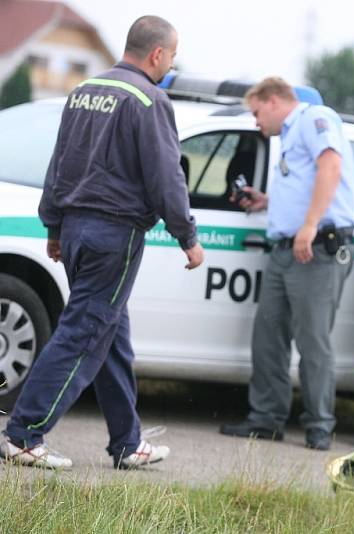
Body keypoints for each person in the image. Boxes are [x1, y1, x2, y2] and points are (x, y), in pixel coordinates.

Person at [0, 15, 203, 470]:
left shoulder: (84, 91)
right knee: (84, 333)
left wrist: (53, 225)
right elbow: (166, 176)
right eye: (172, 55)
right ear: (157, 54)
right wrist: (187, 235)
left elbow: (60, 164)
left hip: (74, 231)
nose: (171, 63)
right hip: (114, 235)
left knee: (110, 334)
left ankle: (127, 443)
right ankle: (23, 434)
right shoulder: (149, 100)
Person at [220, 77, 354, 451]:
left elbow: (330, 167)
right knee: (268, 335)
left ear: (272, 100)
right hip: (286, 248)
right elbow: (303, 183)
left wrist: (310, 224)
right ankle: (265, 419)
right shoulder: (290, 135)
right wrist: (267, 201)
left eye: (255, 112)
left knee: (312, 340)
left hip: (316, 248)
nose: (255, 122)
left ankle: (319, 427)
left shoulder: (315, 118)